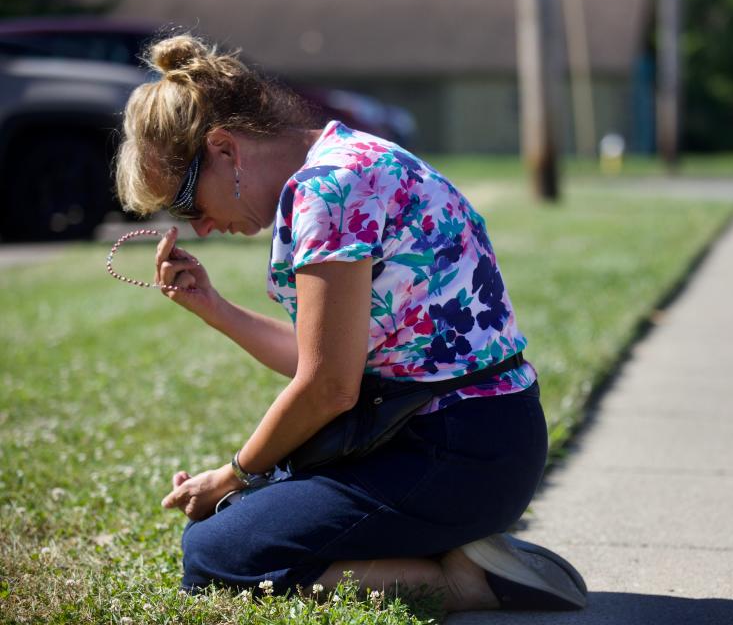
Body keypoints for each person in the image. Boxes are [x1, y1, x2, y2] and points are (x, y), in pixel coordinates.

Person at [114, 33, 587, 613]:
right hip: (475, 438)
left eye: (189, 203)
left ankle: (465, 583)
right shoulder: (346, 158)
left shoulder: (327, 191)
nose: (201, 228)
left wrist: (233, 474)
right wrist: (213, 306)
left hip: (456, 450)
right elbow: (329, 361)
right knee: (233, 528)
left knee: (217, 557)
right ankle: (454, 546)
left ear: (224, 150)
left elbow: (329, 388)